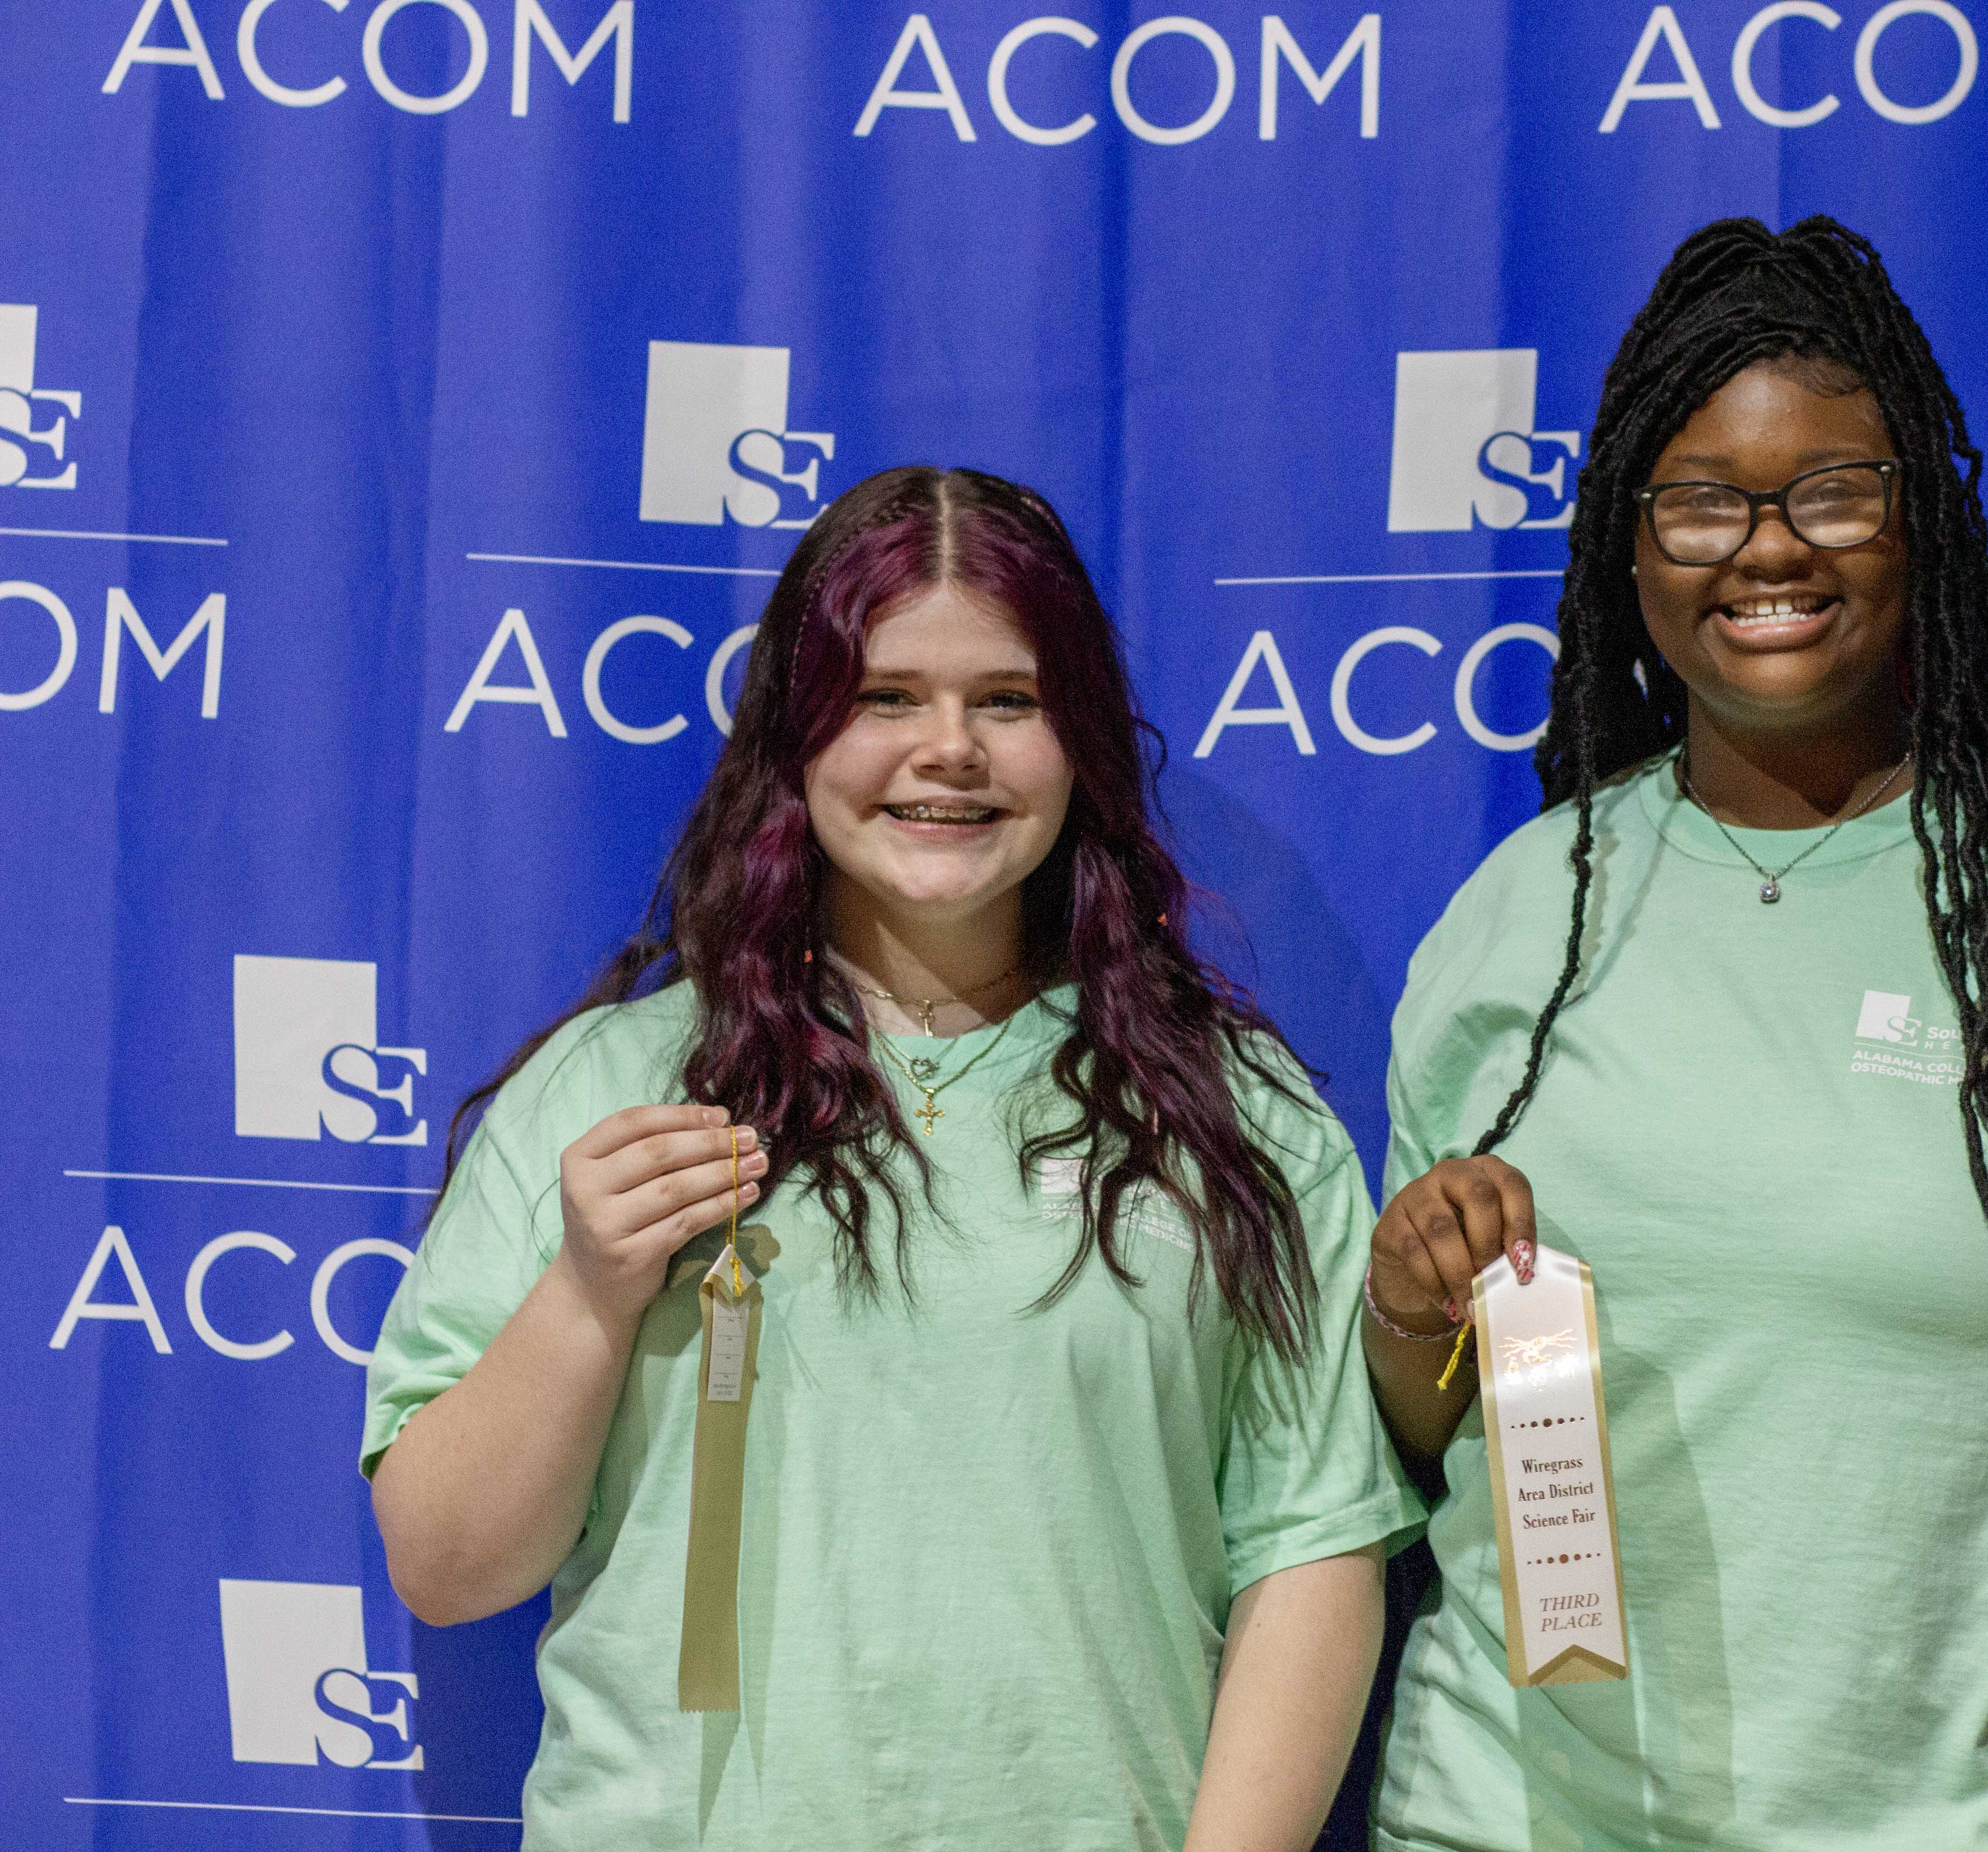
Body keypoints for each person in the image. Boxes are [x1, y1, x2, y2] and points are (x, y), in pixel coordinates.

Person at [1360, 218, 1988, 1850]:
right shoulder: (1520, 913)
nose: (1767, 550)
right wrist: (1408, 1306)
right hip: (1502, 1815)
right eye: (1702, 502)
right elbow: (1425, 1426)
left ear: (1925, 524)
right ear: (1630, 544)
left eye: (1834, 493)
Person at [364, 465, 1421, 1850]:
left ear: (1082, 740)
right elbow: (446, 1568)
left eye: (1009, 700)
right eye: (885, 698)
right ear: (795, 734)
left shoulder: (1237, 1117)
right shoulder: (614, 1085)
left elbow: (1311, 1551)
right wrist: (586, 1295)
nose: (950, 750)